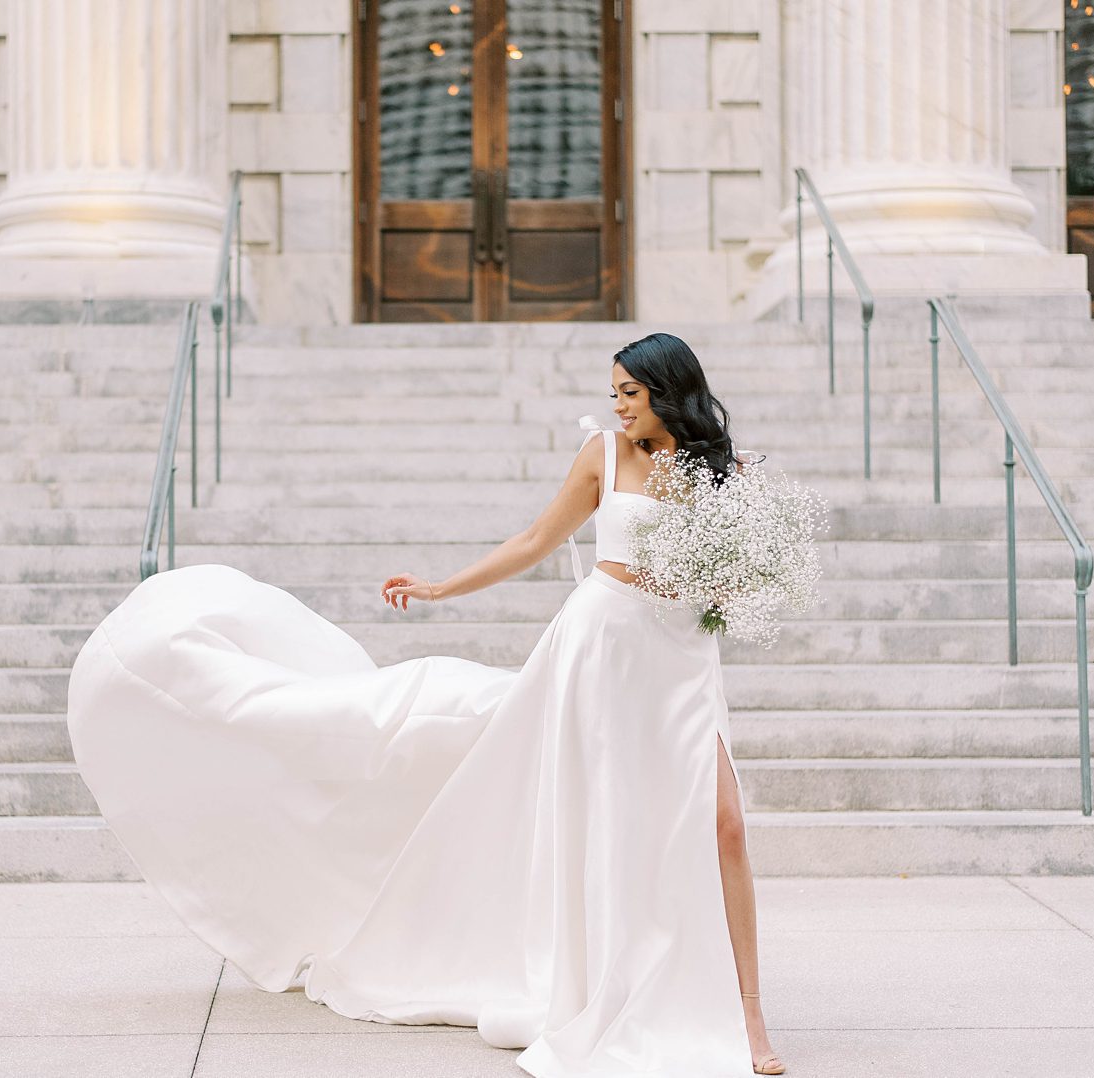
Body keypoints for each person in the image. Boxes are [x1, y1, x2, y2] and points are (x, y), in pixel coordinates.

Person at [65, 331, 787, 1076]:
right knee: (609, 826)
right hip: (602, 648)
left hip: (680, 661)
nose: (619, 407)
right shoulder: (602, 455)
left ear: (670, 391)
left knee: (724, 826)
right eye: (614, 395)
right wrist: (443, 587)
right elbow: (537, 539)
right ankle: (613, 989)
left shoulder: (726, 474)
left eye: (630, 394)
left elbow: (741, 578)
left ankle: (749, 1016)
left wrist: (737, 581)